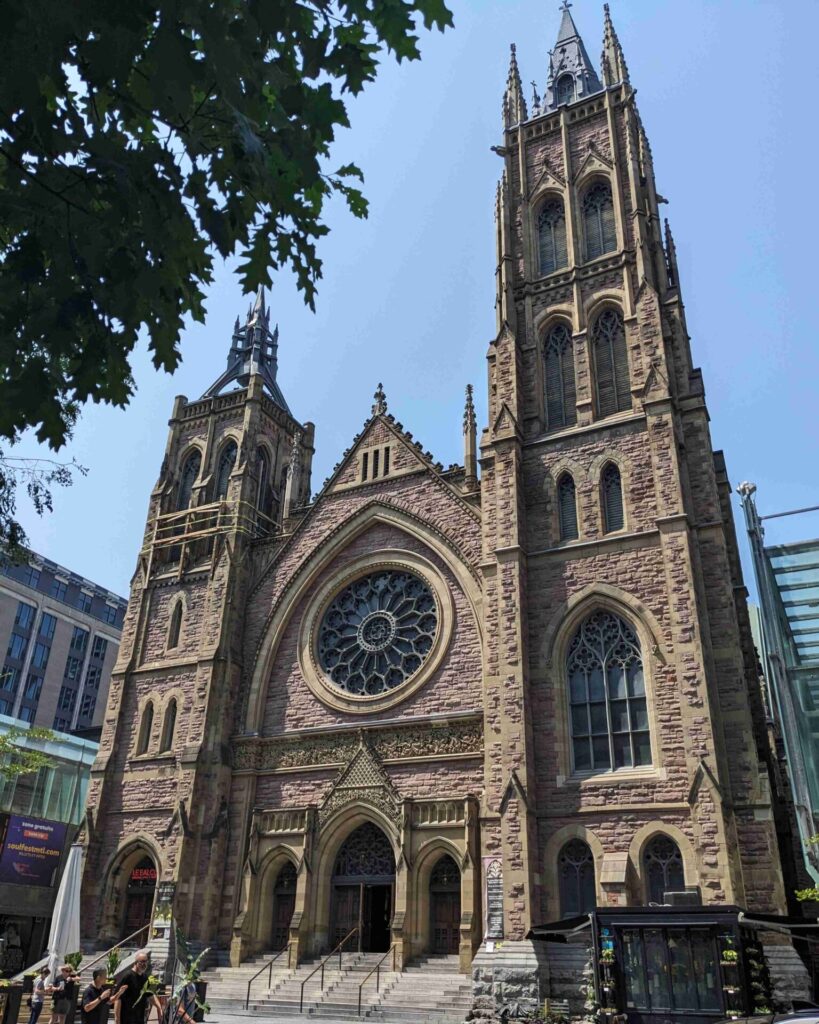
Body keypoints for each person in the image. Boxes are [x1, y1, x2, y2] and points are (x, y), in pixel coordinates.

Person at [112, 951, 161, 1024]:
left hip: (139, 1019)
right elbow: (118, 999)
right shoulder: (128, 976)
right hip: (126, 1019)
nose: (144, 964)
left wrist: (158, 1007)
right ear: (135, 962)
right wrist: (117, 1020)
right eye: (142, 962)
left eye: (146, 962)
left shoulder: (144, 977)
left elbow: (150, 995)